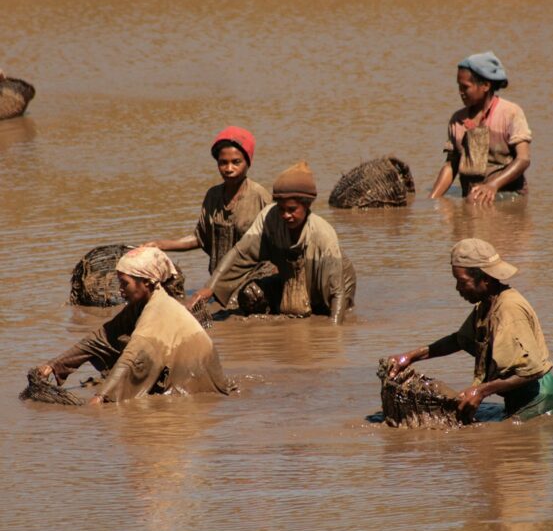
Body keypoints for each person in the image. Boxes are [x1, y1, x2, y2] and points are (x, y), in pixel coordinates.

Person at [388, 238, 553, 423]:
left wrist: (480, 391)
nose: (458, 288)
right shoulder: (487, 305)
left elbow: (531, 371)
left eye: (462, 282)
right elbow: (458, 340)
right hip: (520, 397)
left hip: (542, 400)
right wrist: (410, 357)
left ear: (485, 279)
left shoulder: (509, 310)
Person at [36, 247, 231, 404]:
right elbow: (102, 337)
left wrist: (101, 397)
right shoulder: (142, 304)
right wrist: (55, 365)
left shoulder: (158, 311)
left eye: (125, 284)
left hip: (197, 381)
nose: (120, 290)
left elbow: (131, 358)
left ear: (146, 282)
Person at [190, 162, 356, 324]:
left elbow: (338, 292)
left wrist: (334, 330)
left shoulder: (323, 234)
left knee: (323, 313)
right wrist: (209, 288)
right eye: (281, 209)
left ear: (307, 206)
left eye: (292, 210)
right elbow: (240, 253)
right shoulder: (269, 218)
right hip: (291, 280)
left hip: (332, 284)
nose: (285, 215)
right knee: (249, 294)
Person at [143, 126, 272, 305]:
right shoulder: (213, 196)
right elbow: (200, 238)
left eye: (236, 162)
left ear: (248, 162)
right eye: (223, 162)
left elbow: (277, 244)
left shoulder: (260, 196)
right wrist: (159, 244)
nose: (229, 168)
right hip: (218, 284)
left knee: (250, 298)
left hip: (252, 282)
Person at [429, 52, 532, 205]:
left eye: (465, 87)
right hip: (474, 195)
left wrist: (493, 185)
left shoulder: (511, 113)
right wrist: (431, 200)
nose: (460, 92)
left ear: (485, 85)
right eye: (458, 86)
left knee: (472, 202)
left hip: (508, 194)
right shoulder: (457, 120)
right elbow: (451, 165)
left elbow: (523, 159)